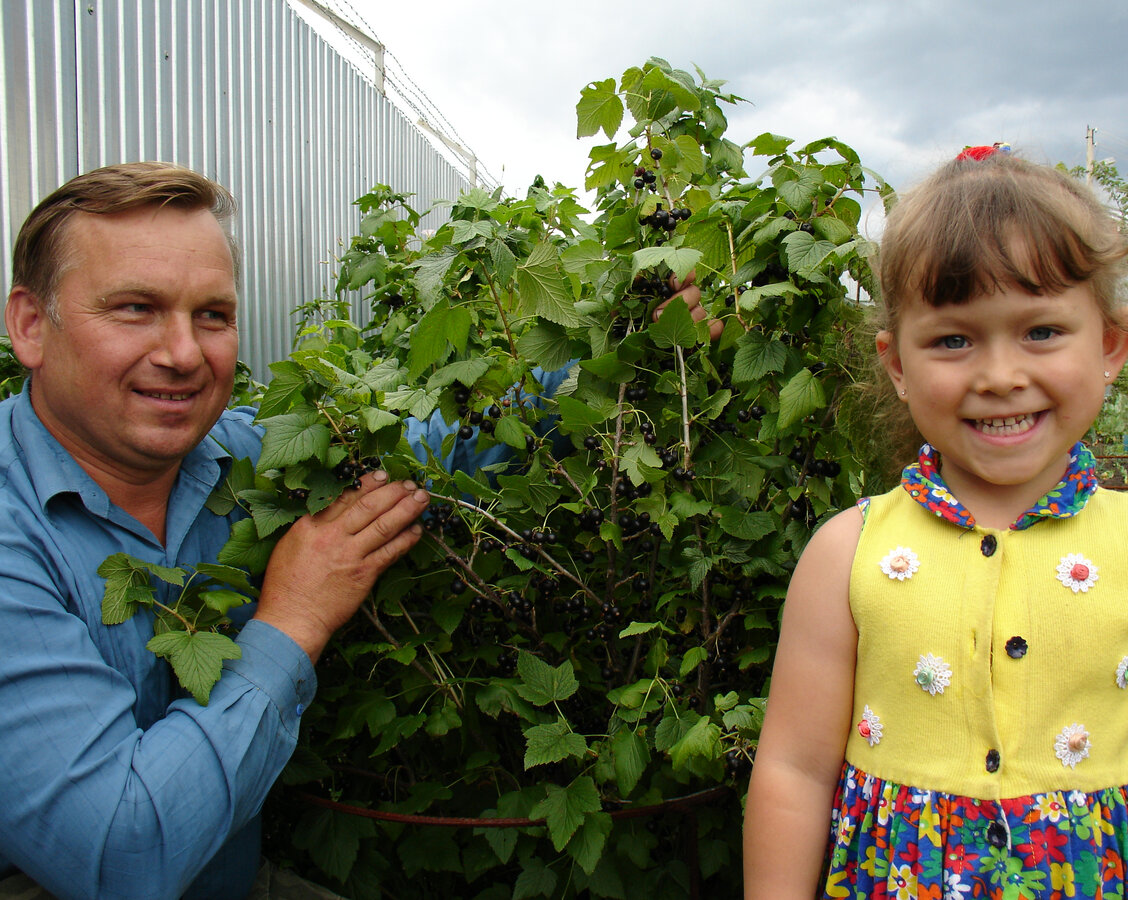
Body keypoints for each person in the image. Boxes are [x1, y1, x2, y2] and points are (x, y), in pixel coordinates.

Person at [0, 162, 718, 900]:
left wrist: (609, 351)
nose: (184, 354)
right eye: (135, 309)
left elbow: (431, 456)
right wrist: (295, 619)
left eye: (211, 315)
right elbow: (120, 857)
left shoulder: (241, 463)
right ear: (30, 325)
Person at [743, 149, 1128, 898]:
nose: (998, 374)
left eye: (1042, 331)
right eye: (953, 339)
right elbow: (793, 770)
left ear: (1111, 345)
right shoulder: (848, 554)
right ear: (896, 364)